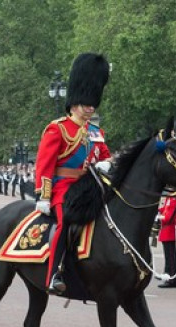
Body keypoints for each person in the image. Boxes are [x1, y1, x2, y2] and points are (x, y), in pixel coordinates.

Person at [35, 53, 111, 295]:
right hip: (63, 188)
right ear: (75, 101)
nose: (91, 107)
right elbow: (44, 165)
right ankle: (54, 272)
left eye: (93, 103)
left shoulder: (95, 132)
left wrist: (108, 165)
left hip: (89, 186)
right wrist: (44, 196)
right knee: (65, 221)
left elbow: (107, 157)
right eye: (87, 102)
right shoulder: (57, 129)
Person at [157, 196, 176, 288]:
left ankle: (172, 280)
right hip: (166, 231)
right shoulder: (169, 199)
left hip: (169, 231)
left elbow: (168, 217)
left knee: (171, 257)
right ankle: (168, 275)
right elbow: (164, 209)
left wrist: (159, 217)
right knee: (169, 256)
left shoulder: (174, 200)